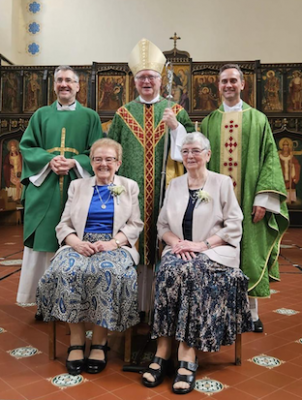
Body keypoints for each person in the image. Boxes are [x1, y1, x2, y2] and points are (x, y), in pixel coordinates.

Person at [142, 132, 252, 395]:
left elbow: (234, 225)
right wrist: (178, 244)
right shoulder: (175, 185)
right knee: (168, 273)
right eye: (186, 151)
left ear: (208, 154)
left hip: (214, 251)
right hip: (179, 249)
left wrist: (201, 246)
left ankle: (188, 353)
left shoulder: (222, 182)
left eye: (195, 151)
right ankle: (162, 349)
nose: (190, 156)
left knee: (193, 275)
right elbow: (163, 225)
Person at [36, 138, 144, 376]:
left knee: (108, 272)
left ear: (118, 163)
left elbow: (135, 224)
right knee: (67, 271)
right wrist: (75, 243)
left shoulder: (129, 185)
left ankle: (99, 341)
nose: (103, 164)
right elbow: (63, 224)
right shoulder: (78, 186)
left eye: (109, 159)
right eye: (98, 159)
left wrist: (113, 242)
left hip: (114, 245)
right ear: (92, 162)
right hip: (80, 243)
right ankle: (76, 341)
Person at [201, 64, 289, 333]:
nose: (228, 85)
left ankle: (251, 313)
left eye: (233, 81)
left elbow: (270, 160)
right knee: (218, 257)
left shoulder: (258, 119)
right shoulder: (208, 122)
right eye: (224, 81)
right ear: (218, 86)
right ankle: (220, 311)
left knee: (248, 256)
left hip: (250, 201)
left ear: (242, 85)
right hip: (217, 206)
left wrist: (263, 198)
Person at [108, 38, 194, 310]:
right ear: (134, 82)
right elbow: (111, 153)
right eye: (142, 77)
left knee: (164, 238)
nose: (147, 81)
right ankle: (136, 305)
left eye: (152, 77)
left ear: (161, 80)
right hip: (130, 194)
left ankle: (164, 306)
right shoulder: (123, 114)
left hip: (167, 192)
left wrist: (175, 128)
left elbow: (195, 148)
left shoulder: (175, 111)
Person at [16, 65, 103, 306]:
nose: (64, 84)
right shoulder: (40, 115)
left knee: (77, 238)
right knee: (43, 244)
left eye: (69, 80)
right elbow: (27, 147)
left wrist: (75, 161)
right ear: (54, 86)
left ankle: (74, 301)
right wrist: (49, 160)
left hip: (77, 185)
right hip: (45, 186)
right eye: (59, 80)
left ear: (77, 86)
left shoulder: (90, 116)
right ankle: (41, 301)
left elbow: (97, 151)